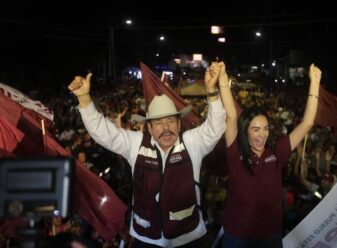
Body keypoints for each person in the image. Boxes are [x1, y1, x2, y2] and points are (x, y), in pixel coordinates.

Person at [68, 63, 226, 247]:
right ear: (149, 127)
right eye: (159, 122)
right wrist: (85, 100)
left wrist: (212, 92)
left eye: (170, 121)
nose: (166, 128)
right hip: (146, 238)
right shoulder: (135, 143)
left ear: (179, 124)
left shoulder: (192, 143)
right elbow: (103, 133)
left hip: (188, 237)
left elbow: (216, 127)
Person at [219, 62, 322, 247]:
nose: (262, 134)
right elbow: (231, 115)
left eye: (265, 128)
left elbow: (307, 123)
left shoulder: (277, 151)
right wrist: (223, 81)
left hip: (270, 236)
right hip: (238, 236)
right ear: (245, 131)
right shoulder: (235, 152)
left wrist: (314, 83)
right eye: (256, 129)